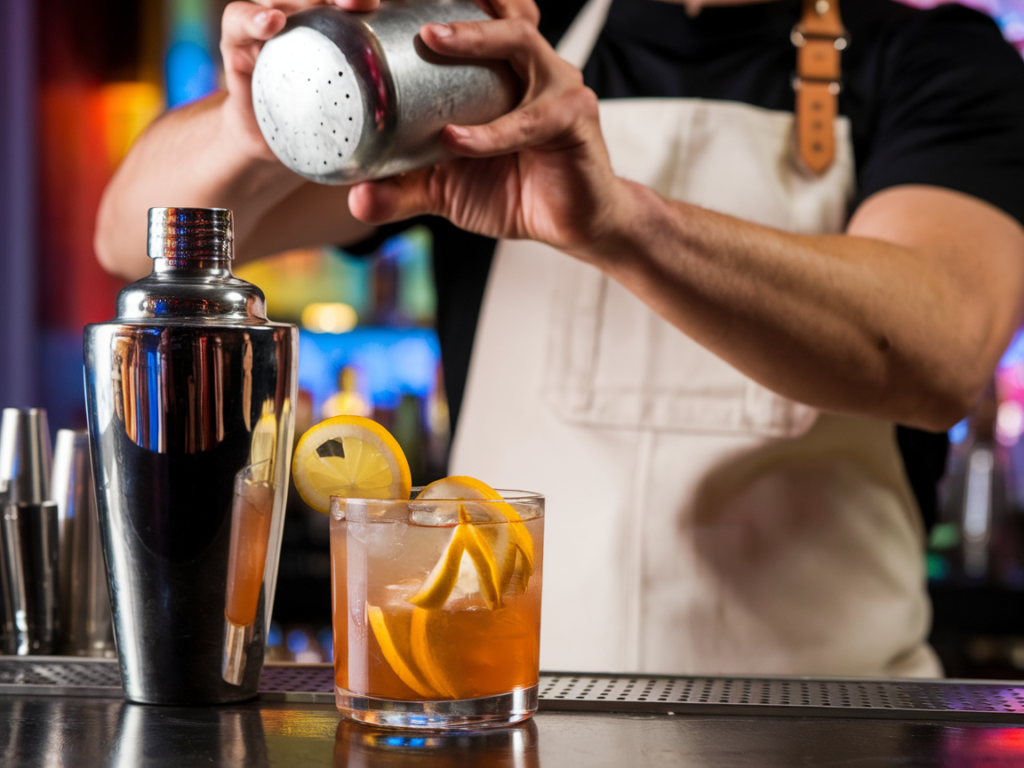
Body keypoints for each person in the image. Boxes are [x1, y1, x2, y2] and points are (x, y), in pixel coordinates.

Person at [95, 0, 1024, 677]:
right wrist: (254, 115)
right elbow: (130, 234)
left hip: (823, 728)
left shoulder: (930, 58)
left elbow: (936, 351)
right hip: (504, 724)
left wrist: (620, 223)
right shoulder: (502, 52)